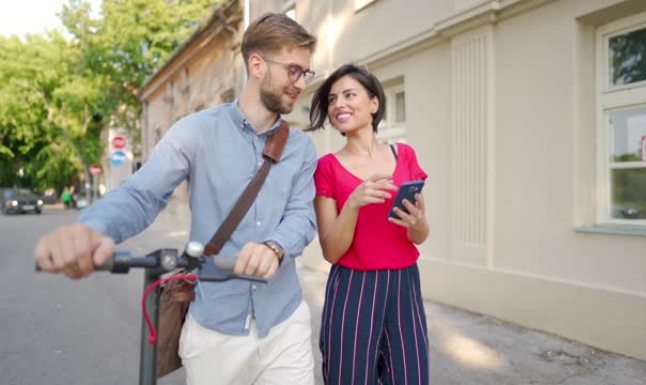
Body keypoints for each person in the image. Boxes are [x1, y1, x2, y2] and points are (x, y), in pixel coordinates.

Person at [34, 13, 318, 385]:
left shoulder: (300, 148)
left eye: (305, 74)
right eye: (294, 70)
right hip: (215, 331)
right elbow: (142, 193)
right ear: (257, 64)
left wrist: (276, 246)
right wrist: (92, 228)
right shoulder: (195, 132)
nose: (300, 83)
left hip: (285, 324)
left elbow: (302, 215)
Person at [309, 64, 430, 385]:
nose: (338, 105)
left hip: (404, 285)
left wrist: (416, 222)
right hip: (353, 288)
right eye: (332, 100)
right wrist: (353, 203)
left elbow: (420, 235)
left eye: (349, 95)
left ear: (374, 104)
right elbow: (332, 251)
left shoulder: (405, 155)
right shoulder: (327, 168)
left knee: (412, 378)